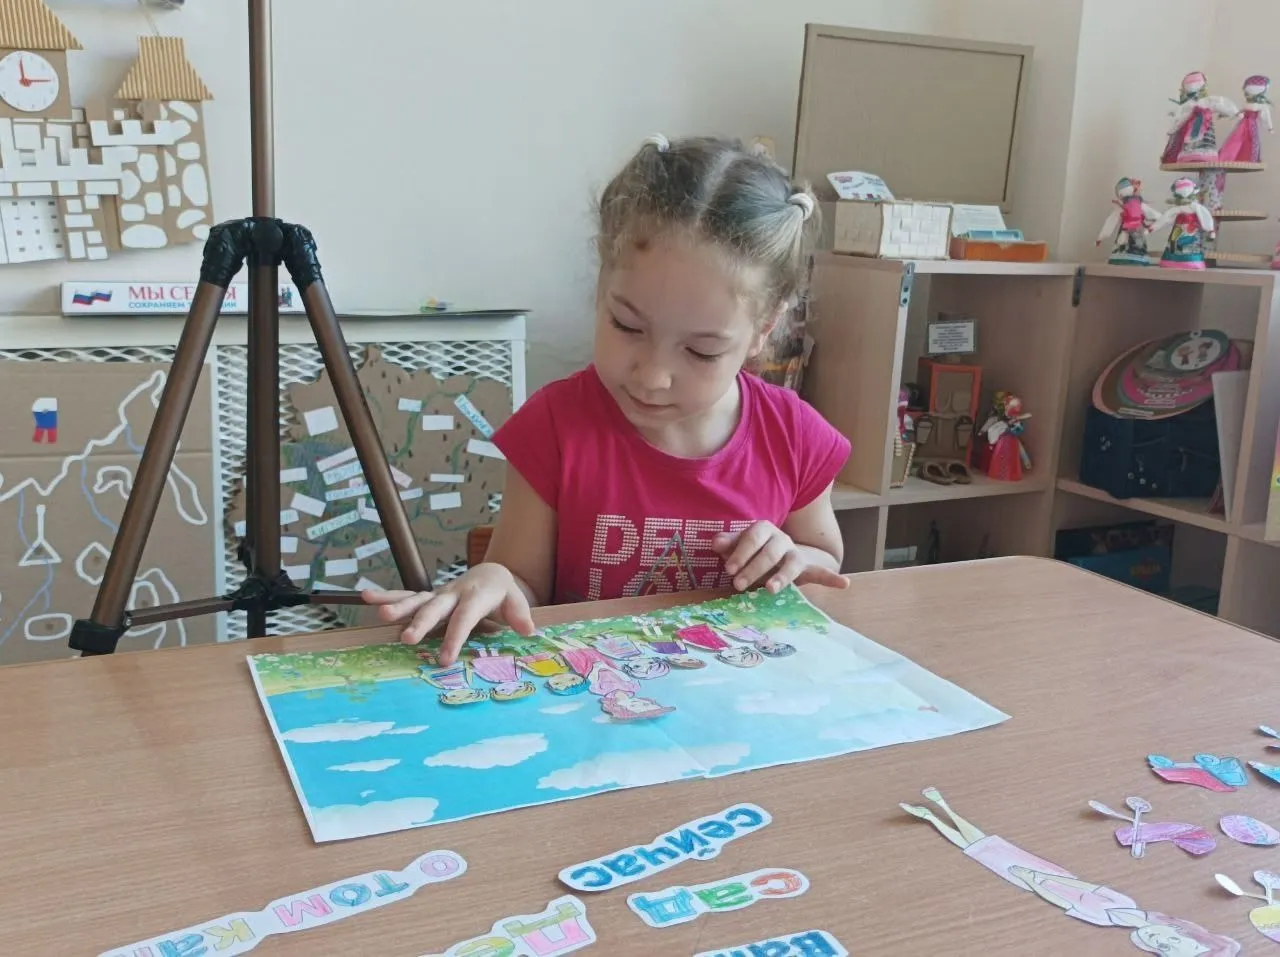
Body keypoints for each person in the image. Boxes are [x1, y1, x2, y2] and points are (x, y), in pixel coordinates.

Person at [365, 134, 852, 664]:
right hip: (593, 690)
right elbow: (522, 585)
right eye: (626, 325)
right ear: (602, 287)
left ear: (764, 329)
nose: (653, 377)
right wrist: (494, 581)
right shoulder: (555, 427)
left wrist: (795, 558)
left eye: (701, 351)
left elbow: (826, 559)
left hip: (735, 690)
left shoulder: (795, 436)